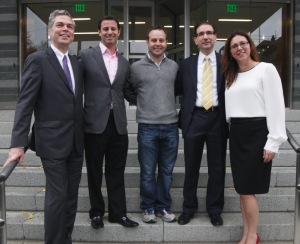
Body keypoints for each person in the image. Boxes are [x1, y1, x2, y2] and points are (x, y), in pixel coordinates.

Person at [4, 10, 84, 244]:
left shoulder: (75, 62)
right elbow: (25, 103)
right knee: (58, 197)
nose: (65, 29)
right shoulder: (38, 60)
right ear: (50, 31)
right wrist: (18, 143)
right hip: (52, 142)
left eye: (70, 26)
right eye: (60, 25)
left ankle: (65, 239)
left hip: (76, 143)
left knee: (70, 198)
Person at [222, 30, 287, 244]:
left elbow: (276, 106)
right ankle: (247, 233)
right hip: (238, 133)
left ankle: (252, 236)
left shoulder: (266, 70)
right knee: (242, 189)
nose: (239, 48)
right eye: (234, 46)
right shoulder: (231, 75)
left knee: (248, 190)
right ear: (230, 52)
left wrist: (273, 142)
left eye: (243, 43)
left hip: (258, 133)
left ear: (250, 46)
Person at [78, 15, 138, 229]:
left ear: (119, 32)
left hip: (118, 125)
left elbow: (127, 91)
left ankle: (118, 213)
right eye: (105, 29)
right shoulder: (86, 56)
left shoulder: (124, 61)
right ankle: (96, 213)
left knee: (116, 171)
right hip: (94, 123)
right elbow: (75, 88)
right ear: (99, 32)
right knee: (94, 171)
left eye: (113, 29)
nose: (110, 32)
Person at [175, 21, 228, 226]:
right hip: (194, 119)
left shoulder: (226, 62)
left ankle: (215, 209)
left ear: (215, 37)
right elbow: (177, 89)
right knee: (191, 167)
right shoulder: (186, 64)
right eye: (201, 34)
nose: (205, 37)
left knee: (217, 167)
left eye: (209, 33)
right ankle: (189, 208)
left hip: (217, 118)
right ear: (195, 40)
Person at [124, 27, 179, 223]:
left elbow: (178, 89)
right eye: (154, 40)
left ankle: (163, 207)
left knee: (166, 171)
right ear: (147, 42)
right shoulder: (136, 67)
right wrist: (143, 102)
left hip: (171, 126)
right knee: (147, 172)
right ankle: (147, 207)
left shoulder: (174, 66)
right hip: (147, 126)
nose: (158, 44)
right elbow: (127, 90)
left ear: (166, 43)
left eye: (161, 40)